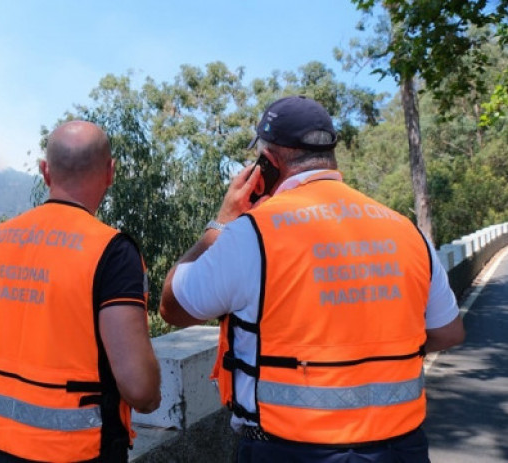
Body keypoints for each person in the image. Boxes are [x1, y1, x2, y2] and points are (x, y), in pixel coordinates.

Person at [159, 96, 465, 462]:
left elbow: (173, 307)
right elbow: (448, 332)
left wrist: (220, 224)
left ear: (267, 163)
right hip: (400, 447)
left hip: (286, 449)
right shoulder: (405, 230)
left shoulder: (252, 233)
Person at [0, 120, 161, 463]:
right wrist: (152, 396)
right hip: (80, 450)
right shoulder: (112, 252)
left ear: (45, 171)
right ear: (110, 172)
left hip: (4, 445)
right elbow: (140, 389)